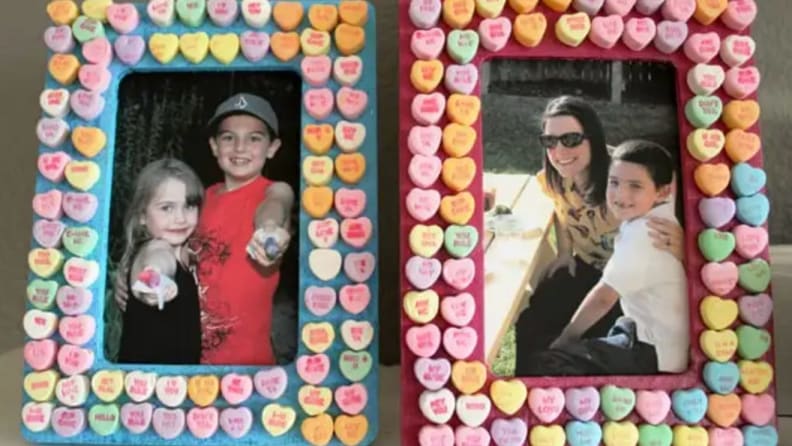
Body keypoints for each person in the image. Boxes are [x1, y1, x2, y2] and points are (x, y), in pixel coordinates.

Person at [116, 93, 296, 366]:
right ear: (214, 146)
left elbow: (276, 205)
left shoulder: (273, 192)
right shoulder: (196, 203)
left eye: (254, 138)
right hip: (189, 362)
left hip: (246, 366)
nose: (240, 147)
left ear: (273, 147)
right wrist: (138, 275)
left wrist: (270, 230)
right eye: (228, 138)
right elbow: (163, 250)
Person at [513, 96, 684, 375]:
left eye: (571, 139)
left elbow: (666, 183)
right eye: (550, 141)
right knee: (533, 318)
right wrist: (565, 251)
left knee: (585, 337)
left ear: (592, 138)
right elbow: (559, 208)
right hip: (589, 267)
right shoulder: (554, 177)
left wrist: (682, 243)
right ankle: (526, 393)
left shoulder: (620, 175)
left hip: (626, 284)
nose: (559, 150)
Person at [117, 158, 204, 364]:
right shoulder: (156, 247)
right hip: (146, 385)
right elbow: (157, 262)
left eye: (189, 206)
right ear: (142, 216)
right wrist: (153, 278)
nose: (180, 218)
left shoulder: (183, 252)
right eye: (167, 208)